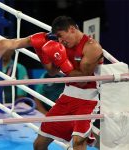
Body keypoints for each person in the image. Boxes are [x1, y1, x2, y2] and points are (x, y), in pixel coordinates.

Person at [31, 16, 103, 150]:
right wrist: (41, 52)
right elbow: (52, 71)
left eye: (60, 36)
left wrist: (63, 63)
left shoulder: (92, 47)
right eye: (57, 37)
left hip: (88, 100)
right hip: (66, 97)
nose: (59, 40)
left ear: (72, 29)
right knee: (39, 145)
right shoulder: (62, 45)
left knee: (78, 141)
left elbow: (83, 81)